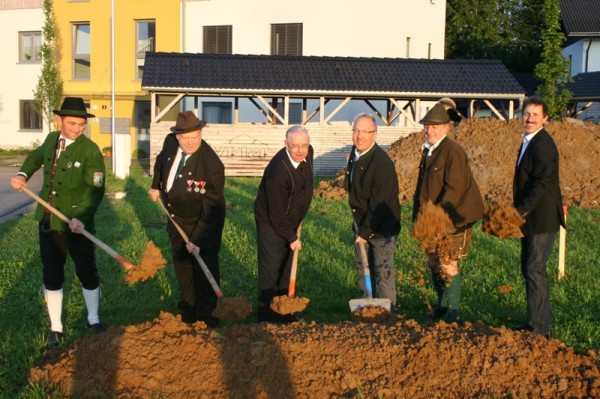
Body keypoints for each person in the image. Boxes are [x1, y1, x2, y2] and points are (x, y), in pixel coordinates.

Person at [10, 97, 106, 346]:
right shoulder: (52, 139)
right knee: (52, 272)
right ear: (59, 120)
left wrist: (81, 217)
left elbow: (95, 189)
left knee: (87, 271)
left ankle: (94, 319)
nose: (77, 128)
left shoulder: (90, 150)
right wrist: (22, 174)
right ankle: (56, 327)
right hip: (50, 221)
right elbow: (35, 157)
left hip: (77, 225)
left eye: (81, 125)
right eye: (72, 123)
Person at [148, 111, 225, 327]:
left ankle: (208, 318)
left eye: (195, 136)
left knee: (204, 271)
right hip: (177, 222)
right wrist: (155, 186)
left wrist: (198, 239)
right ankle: (189, 314)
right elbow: (160, 163)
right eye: (186, 138)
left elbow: (213, 208)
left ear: (201, 134)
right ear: (177, 136)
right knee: (183, 270)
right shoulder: (170, 143)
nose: (190, 142)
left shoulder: (211, 165)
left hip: (204, 225)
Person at [412, 99, 484, 323]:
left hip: (454, 216)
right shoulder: (429, 150)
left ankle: (453, 314)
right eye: (427, 126)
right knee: (433, 262)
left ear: (446, 128)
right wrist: (420, 216)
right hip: (434, 217)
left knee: (448, 262)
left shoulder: (453, 151)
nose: (429, 130)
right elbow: (423, 187)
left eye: (434, 127)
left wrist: (436, 217)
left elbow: (455, 188)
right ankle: (442, 306)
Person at [511, 97, 565, 338]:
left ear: (545, 119)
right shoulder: (529, 141)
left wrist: (521, 210)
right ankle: (533, 323)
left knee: (535, 270)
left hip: (541, 218)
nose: (529, 118)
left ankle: (540, 329)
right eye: (527, 113)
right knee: (529, 269)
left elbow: (542, 182)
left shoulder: (543, 144)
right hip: (531, 217)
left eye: (535, 115)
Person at [254, 126, 314, 322]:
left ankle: (285, 312)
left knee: (287, 265)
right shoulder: (277, 173)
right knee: (271, 268)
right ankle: (266, 316)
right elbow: (276, 214)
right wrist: (292, 238)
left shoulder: (307, 153)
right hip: (271, 222)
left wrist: (293, 230)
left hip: (291, 220)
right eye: (294, 146)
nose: (300, 151)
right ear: (285, 144)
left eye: (304, 145)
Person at [343, 113, 401, 314]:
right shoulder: (356, 154)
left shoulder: (381, 164)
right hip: (362, 225)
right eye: (356, 131)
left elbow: (378, 204)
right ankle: (367, 307)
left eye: (364, 132)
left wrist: (364, 233)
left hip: (382, 227)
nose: (359, 136)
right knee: (363, 268)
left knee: (382, 272)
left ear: (374, 135)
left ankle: (387, 313)